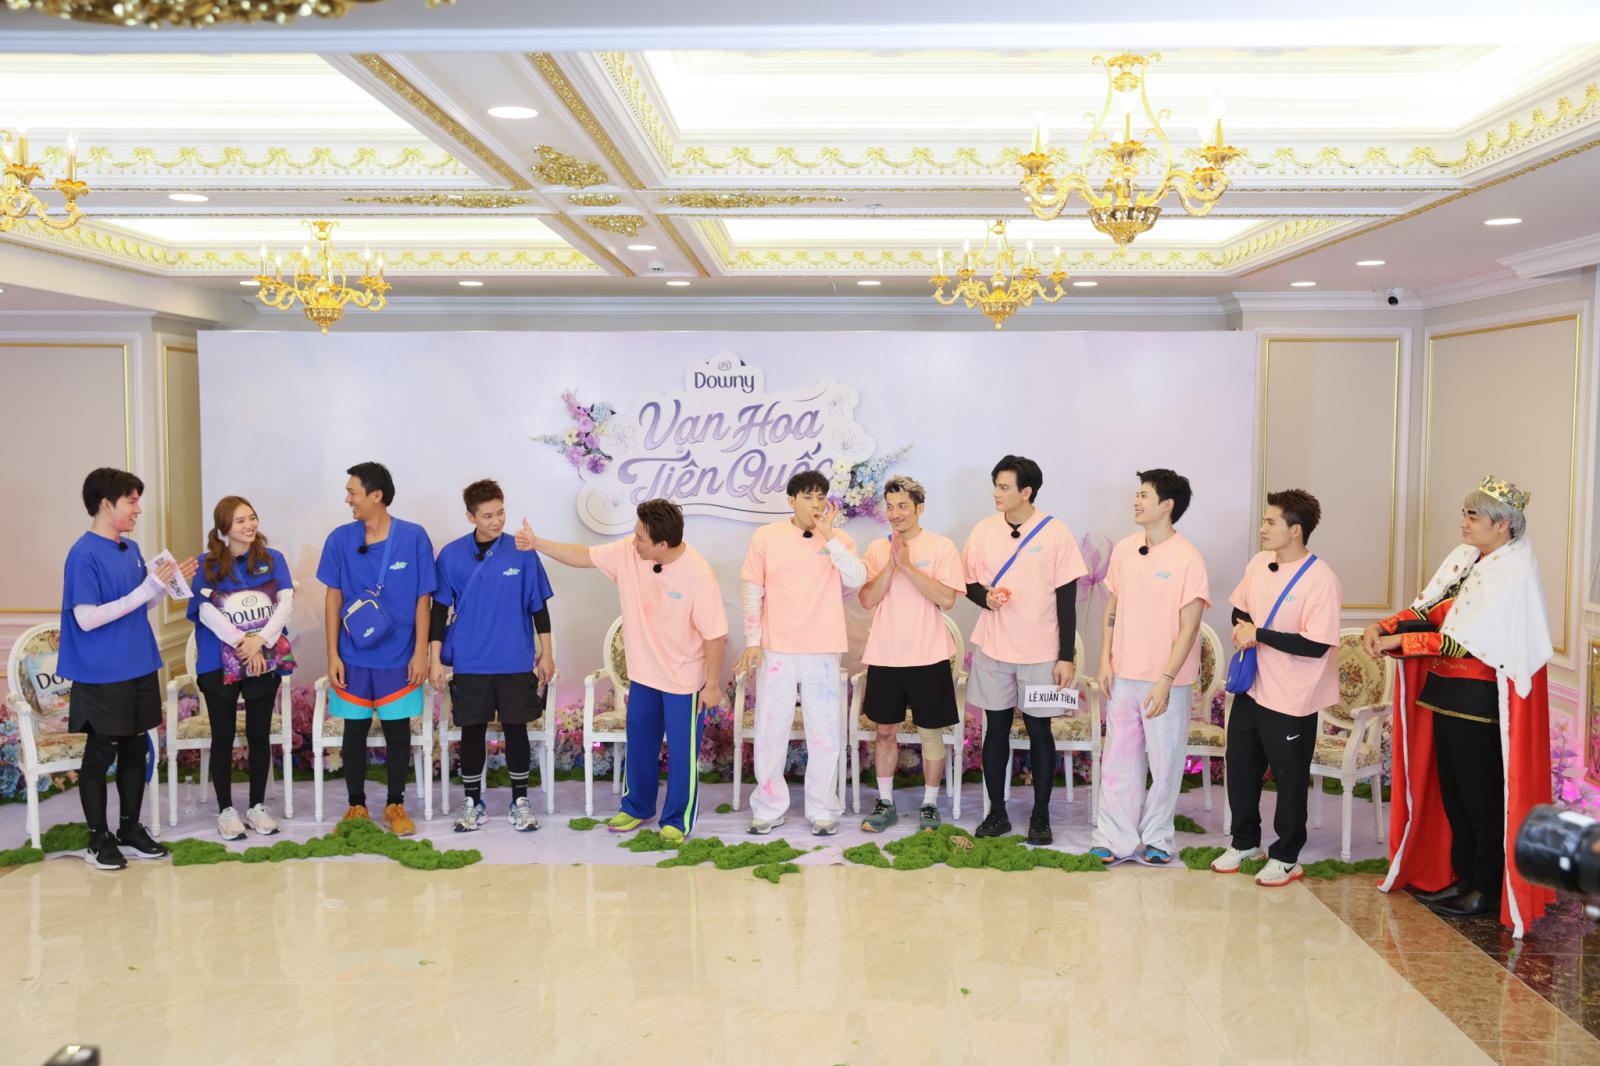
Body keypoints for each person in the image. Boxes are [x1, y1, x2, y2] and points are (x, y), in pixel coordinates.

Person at [1371, 475, 1554, 935]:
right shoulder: (1468, 559)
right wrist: (1385, 625)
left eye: (1472, 516)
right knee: (1454, 794)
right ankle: (1464, 877)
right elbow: (1433, 608)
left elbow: (1464, 642)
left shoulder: (1513, 574)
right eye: (1465, 514)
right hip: (1445, 695)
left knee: (1481, 798)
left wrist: (1400, 642)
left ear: (1502, 525)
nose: (1464, 523)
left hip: (1479, 703)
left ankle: (1486, 887)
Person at [515, 498, 726, 844]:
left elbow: (715, 634)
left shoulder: (698, 574)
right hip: (643, 677)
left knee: (682, 755)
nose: (633, 540)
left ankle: (677, 819)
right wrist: (538, 543)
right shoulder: (630, 552)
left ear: (662, 544)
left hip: (684, 681)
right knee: (639, 746)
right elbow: (583, 555)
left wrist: (713, 685)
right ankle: (637, 806)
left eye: (641, 537)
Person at [59, 467, 197, 870]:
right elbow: (87, 618)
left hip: (138, 662)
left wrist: (165, 585)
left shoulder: (130, 549)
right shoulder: (83, 554)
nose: (138, 509)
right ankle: (97, 838)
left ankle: (130, 829)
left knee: (137, 748)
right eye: (131, 501)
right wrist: (148, 588)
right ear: (106, 504)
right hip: (102, 670)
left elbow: (140, 603)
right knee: (101, 752)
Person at [1211, 489, 1342, 887]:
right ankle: (1245, 842)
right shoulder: (1258, 563)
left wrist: (1260, 634)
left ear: (1296, 530)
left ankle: (1286, 855)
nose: (1263, 528)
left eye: (1271, 522)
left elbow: (1316, 644)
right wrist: (1244, 629)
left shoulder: (1321, 579)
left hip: (1293, 697)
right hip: (1252, 687)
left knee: (1289, 776)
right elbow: (1240, 609)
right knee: (1241, 765)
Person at [963, 455, 1087, 846]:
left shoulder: (1056, 533)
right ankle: (996, 813)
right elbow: (968, 584)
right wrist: (986, 599)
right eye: (996, 486)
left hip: (1042, 653)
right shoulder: (983, 530)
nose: (996, 494)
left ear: (1026, 491)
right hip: (994, 648)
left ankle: (1040, 817)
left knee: (1039, 731)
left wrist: (1065, 657)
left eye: (1004, 487)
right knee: (995, 730)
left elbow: (1067, 600)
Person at [737, 470, 866, 836]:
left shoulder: (838, 539)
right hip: (776, 649)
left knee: (824, 731)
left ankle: (823, 807)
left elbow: (857, 579)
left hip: (822, 649)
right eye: (808, 497)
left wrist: (830, 537)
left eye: (821, 497)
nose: (816, 504)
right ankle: (768, 807)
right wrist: (752, 640)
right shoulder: (767, 537)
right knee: (770, 729)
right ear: (791, 500)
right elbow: (752, 588)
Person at [1090, 469, 1210, 865]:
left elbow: (1190, 627)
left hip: (1167, 682)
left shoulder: (1188, 558)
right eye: (1136, 494)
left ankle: (1158, 837)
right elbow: (1112, 608)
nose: (1135, 501)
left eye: (1144, 495)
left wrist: (1166, 679)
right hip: (1123, 676)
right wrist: (1104, 660)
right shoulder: (1126, 549)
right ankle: (1113, 838)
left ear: (1167, 505)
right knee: (1118, 760)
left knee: (1165, 762)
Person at [316, 462, 436, 836]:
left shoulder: (413, 537)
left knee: (398, 732)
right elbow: (333, 597)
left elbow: (423, 599)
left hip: (400, 656)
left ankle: (395, 805)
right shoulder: (340, 539)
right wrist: (333, 654)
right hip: (352, 656)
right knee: (354, 730)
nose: (348, 499)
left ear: (376, 495)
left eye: (353, 492)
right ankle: (356, 805)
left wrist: (420, 653)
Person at [430, 479, 555, 834]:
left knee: (517, 730)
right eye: (487, 516)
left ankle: (520, 801)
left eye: (500, 513)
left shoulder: (522, 552)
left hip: (515, 659)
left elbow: (539, 607)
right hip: (471, 661)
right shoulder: (451, 555)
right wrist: (434, 659)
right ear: (471, 517)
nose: (497, 521)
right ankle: (473, 802)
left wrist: (547, 653)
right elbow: (438, 611)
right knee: (472, 732)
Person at [857, 476, 965, 834]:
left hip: (929, 654)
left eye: (902, 506)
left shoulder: (941, 546)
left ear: (920, 508)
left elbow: (946, 598)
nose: (895, 513)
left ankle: (930, 804)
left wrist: (908, 566)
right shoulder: (877, 549)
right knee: (885, 731)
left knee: (930, 733)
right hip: (885, 655)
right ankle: (885, 803)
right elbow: (867, 599)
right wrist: (891, 565)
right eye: (889, 507)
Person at [189, 495, 294, 840]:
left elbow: (285, 603)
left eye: (252, 517)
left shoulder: (272, 559)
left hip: (263, 659)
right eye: (240, 521)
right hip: (216, 663)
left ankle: (257, 806)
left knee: (259, 734)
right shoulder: (206, 565)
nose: (250, 525)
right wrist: (242, 642)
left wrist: (259, 641)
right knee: (222, 735)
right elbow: (206, 611)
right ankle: (226, 810)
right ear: (223, 528)